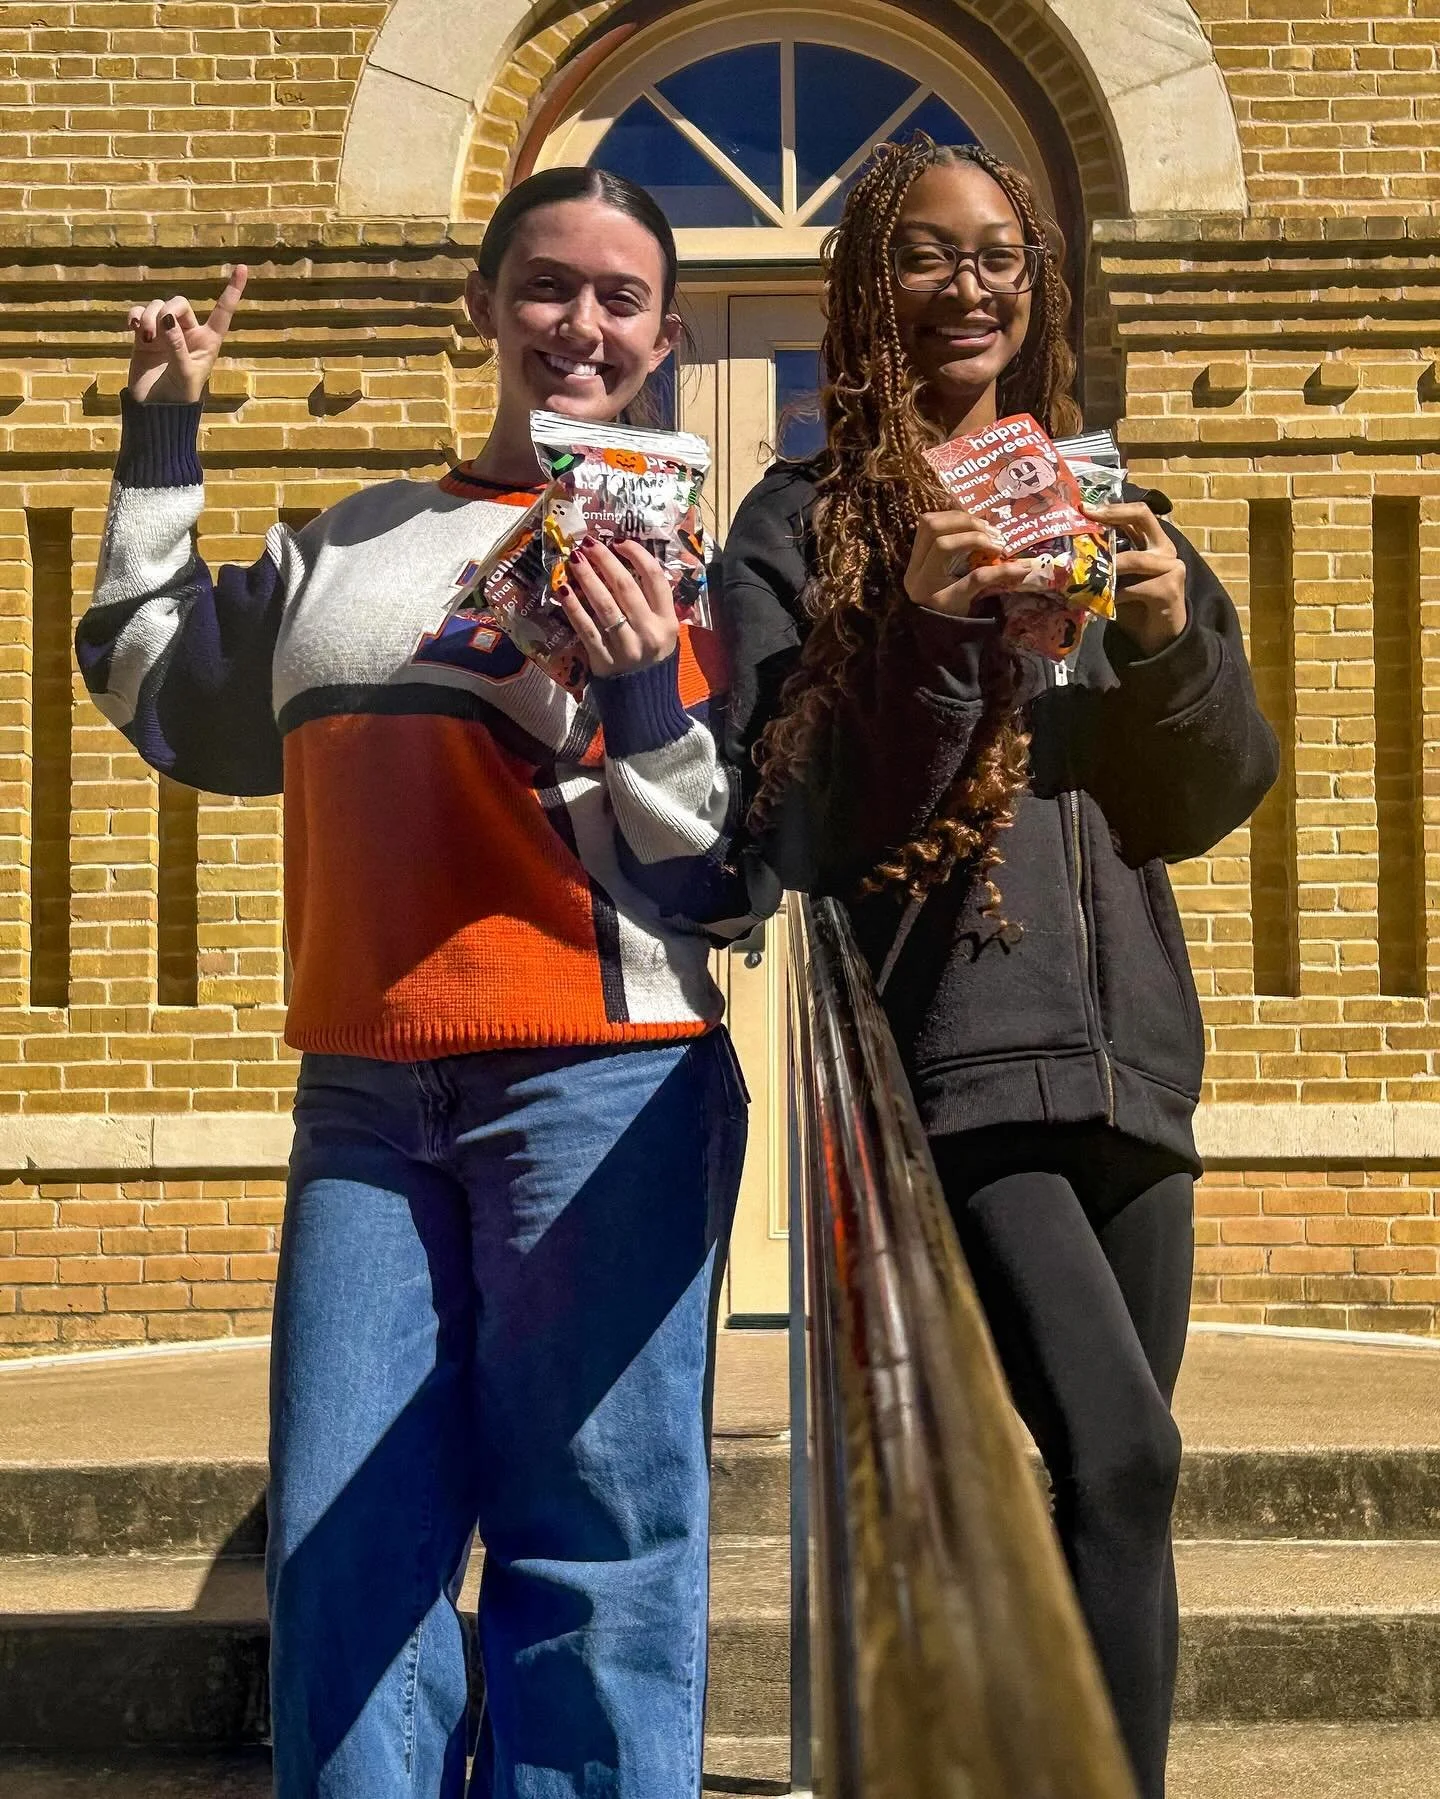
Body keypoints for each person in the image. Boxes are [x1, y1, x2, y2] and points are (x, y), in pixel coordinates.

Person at [75, 165, 749, 1799]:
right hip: (367, 1090)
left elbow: (716, 876)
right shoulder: (357, 539)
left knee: (594, 1544)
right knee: (342, 1549)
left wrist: (645, 685)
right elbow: (154, 675)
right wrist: (164, 435)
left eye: (618, 297)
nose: (578, 324)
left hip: (609, 1081)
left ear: (658, 339)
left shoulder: (678, 562)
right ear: (482, 307)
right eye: (544, 285)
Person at [718, 137, 1278, 1799]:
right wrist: (932, 629)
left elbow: (1208, 793)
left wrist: (1173, 639)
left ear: (1038, 288)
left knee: (1110, 1491)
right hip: (956, 1048)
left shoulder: (1111, 500)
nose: (968, 289)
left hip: (1131, 1060)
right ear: (867, 286)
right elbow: (796, 822)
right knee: (1124, 1449)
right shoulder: (802, 523)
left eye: (1000, 260)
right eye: (926, 257)